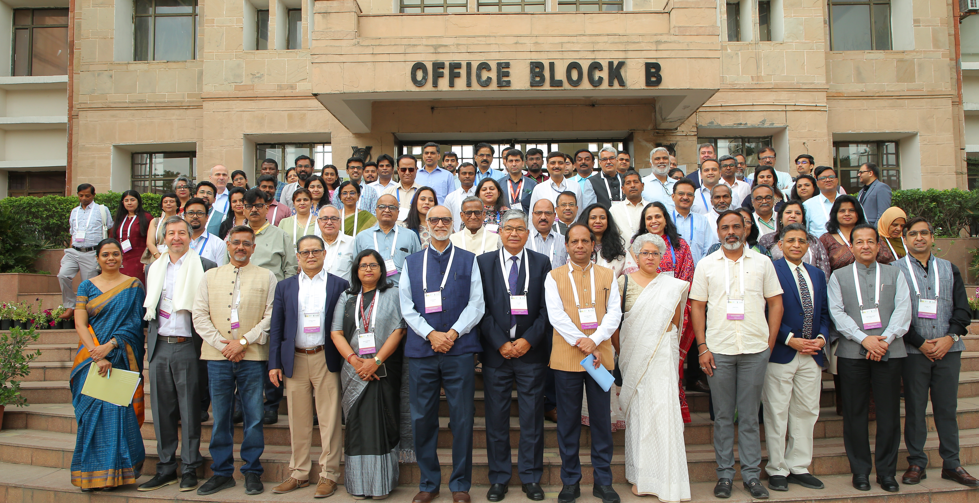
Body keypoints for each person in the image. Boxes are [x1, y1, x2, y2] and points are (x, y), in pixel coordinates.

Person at [690, 210, 783, 500]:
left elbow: (775, 303)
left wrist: (769, 344)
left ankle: (752, 476)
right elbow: (697, 306)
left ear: (746, 229)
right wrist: (702, 347)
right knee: (722, 416)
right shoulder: (706, 264)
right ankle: (725, 475)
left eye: (736, 226)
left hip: (755, 349)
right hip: (719, 349)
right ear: (718, 232)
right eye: (725, 227)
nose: (731, 232)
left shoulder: (763, 262)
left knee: (750, 416)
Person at [398, 206, 486, 503]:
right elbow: (406, 306)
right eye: (434, 219)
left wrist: (453, 333)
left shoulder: (469, 259)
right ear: (426, 223)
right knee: (422, 418)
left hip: (459, 350)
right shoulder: (411, 262)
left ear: (453, 223)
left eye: (445, 219)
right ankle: (428, 482)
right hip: (422, 351)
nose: (439, 224)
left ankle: (460, 484)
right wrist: (431, 334)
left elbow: (477, 303)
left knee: (462, 418)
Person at [192, 225, 276, 497]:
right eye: (236, 242)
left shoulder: (267, 276)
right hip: (217, 357)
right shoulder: (210, 276)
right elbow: (199, 315)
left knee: (254, 416)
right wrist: (224, 345)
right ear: (227, 245)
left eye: (246, 243)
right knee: (221, 417)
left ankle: (252, 471)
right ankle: (222, 473)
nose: (241, 247)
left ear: (253, 247)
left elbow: (271, 315)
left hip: (252, 356)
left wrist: (243, 342)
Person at [827, 224, 911, 493]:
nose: (865, 246)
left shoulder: (895, 273)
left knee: (889, 414)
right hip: (853, 353)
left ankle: (887, 473)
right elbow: (837, 313)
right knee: (855, 413)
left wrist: (885, 339)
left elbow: (903, 309)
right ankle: (860, 471)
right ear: (851, 247)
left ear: (878, 246)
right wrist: (864, 339)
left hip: (890, 351)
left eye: (870, 241)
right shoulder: (838, 276)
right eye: (859, 242)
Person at [137, 216, 218, 493]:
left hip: (188, 345)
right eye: (171, 233)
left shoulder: (205, 266)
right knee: (162, 411)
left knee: (190, 409)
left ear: (190, 236)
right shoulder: (153, 268)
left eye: (181, 233)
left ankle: (190, 467)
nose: (176, 238)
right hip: (159, 345)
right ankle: (166, 467)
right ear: (164, 237)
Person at [896, 217, 978, 487]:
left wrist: (949, 338)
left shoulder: (949, 268)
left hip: (948, 350)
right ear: (905, 239)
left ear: (932, 237)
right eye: (913, 234)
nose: (919, 238)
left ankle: (952, 464)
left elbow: (962, 310)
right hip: (913, 352)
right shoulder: (895, 270)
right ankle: (917, 463)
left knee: (947, 408)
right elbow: (895, 313)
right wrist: (919, 342)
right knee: (915, 409)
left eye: (924, 233)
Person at [477, 209, 552, 503]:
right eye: (508, 228)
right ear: (500, 232)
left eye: (520, 229)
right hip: (496, 355)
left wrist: (527, 340)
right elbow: (479, 307)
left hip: (530, 354)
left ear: (528, 233)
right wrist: (500, 343)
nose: (514, 233)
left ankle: (531, 477)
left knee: (532, 419)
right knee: (496, 420)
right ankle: (499, 478)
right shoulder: (483, 263)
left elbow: (547, 309)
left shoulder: (541, 262)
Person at [267, 235, 349, 499]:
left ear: (324, 254)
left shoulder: (340, 285)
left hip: (326, 358)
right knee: (298, 419)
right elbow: (277, 327)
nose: (310, 256)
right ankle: (299, 472)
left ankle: (329, 474)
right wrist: (274, 363)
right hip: (296, 359)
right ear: (298, 256)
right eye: (305, 252)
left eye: (315, 251)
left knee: (329, 419)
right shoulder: (285, 287)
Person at [544, 224, 621, 503]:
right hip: (567, 358)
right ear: (566, 245)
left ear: (593, 245)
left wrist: (595, 340)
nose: (579, 246)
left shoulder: (607, 275)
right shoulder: (554, 277)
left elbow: (614, 313)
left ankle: (603, 482)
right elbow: (556, 316)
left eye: (585, 241)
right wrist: (584, 342)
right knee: (568, 422)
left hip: (600, 357)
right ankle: (570, 482)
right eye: (574, 241)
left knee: (601, 421)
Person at [330, 250, 410, 499]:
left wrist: (375, 361)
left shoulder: (392, 294)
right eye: (363, 265)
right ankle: (358, 484)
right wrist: (355, 362)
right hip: (353, 371)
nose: (368, 269)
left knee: (383, 423)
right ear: (356, 270)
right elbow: (336, 332)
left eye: (373, 265)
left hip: (384, 369)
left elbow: (399, 330)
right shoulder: (347, 296)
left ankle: (381, 485)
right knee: (357, 426)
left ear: (381, 270)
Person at [68, 238, 146, 491]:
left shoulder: (133, 286)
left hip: (120, 357)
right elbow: (80, 323)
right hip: (90, 360)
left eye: (115, 254)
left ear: (122, 257)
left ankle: (117, 475)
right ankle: (91, 475)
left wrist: (111, 346)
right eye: (105, 254)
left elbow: (134, 325)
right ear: (97, 259)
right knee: (90, 416)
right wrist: (97, 355)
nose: (111, 258)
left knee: (116, 416)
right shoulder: (86, 286)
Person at [617, 233, 690, 501]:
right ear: (636, 256)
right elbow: (615, 324)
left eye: (655, 253)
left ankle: (667, 480)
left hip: (661, 358)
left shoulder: (672, 286)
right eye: (645, 253)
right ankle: (642, 477)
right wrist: (625, 353)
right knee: (639, 417)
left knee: (664, 414)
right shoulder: (623, 282)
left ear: (662, 257)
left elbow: (674, 325)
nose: (650, 257)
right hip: (633, 357)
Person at [763, 223, 831, 492]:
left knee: (807, 411)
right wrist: (789, 338)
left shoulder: (817, 274)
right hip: (782, 352)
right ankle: (777, 468)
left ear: (808, 245)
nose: (796, 245)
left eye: (802, 241)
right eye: (790, 240)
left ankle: (799, 466)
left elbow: (824, 313)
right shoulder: (771, 270)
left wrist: (822, 338)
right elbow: (765, 311)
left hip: (812, 354)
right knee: (777, 412)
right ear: (780, 244)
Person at [627, 201, 698, 420]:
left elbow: (686, 277)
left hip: (674, 310)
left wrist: (670, 301)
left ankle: (672, 409)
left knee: (670, 363)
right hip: (644, 310)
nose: (654, 221)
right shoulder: (636, 244)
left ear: (665, 219)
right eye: (649, 218)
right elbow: (633, 274)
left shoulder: (680, 245)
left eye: (658, 216)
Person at [58, 183, 113, 320]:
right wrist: (70, 248)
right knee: (63, 275)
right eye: (81, 195)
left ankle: (87, 311)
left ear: (93, 195)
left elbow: (109, 230)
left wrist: (105, 253)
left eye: (87, 195)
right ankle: (70, 306)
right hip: (74, 251)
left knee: (88, 284)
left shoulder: (101, 210)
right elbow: (73, 232)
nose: (84, 198)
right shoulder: (74, 211)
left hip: (91, 252)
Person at [354, 194, 423, 287]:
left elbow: (418, 266)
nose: (387, 210)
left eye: (392, 207)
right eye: (382, 207)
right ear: (376, 211)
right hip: (371, 289)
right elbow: (356, 268)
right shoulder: (362, 237)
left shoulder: (410, 235)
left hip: (400, 290)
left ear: (398, 212)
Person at [758, 201, 832, 279]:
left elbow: (824, 270)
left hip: (809, 283)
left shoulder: (813, 240)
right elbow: (762, 267)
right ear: (781, 218)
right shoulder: (768, 239)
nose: (793, 215)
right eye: (788, 212)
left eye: (798, 213)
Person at [820, 195, 894, 271]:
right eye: (842, 211)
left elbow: (887, 262)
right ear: (835, 214)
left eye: (851, 210)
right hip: (839, 278)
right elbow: (822, 267)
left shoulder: (871, 234)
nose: (847, 214)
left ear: (858, 213)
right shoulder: (826, 239)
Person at [243, 187, 297, 282]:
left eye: (259, 206)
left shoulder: (281, 235)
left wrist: (284, 290)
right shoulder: (235, 235)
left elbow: (290, 269)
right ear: (243, 210)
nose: (254, 209)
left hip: (272, 288)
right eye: (249, 206)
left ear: (267, 208)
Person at [110, 190, 153, 285]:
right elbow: (113, 238)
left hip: (139, 259)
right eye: (126, 200)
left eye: (132, 200)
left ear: (138, 201)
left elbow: (152, 240)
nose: (129, 203)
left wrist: (147, 260)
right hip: (121, 259)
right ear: (123, 202)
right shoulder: (120, 218)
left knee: (136, 285)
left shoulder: (147, 217)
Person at [671, 179, 717, 263]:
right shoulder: (665, 219)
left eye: (689, 194)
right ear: (673, 196)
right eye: (681, 194)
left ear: (694, 198)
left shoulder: (702, 220)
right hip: (671, 268)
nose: (685, 197)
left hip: (698, 268)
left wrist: (700, 266)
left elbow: (709, 248)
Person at [529, 151, 584, 222]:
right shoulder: (539, 188)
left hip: (570, 228)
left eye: (560, 163)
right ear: (547, 166)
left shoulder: (575, 186)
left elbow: (579, 213)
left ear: (565, 165)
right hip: (548, 228)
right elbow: (532, 216)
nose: (557, 166)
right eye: (553, 163)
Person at [578, 203, 627, 278]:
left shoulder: (618, 249)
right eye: (593, 218)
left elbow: (631, 277)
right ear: (586, 220)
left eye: (602, 218)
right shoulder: (577, 247)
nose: (598, 221)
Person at [183, 198, 228, 266]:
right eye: (191, 213)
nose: (195, 216)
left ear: (207, 217)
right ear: (184, 217)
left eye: (200, 213)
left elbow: (220, 270)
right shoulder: (177, 242)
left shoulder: (218, 244)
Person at [317, 205, 356, 281]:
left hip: (344, 288)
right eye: (325, 219)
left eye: (334, 219)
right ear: (318, 222)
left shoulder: (352, 243)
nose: (329, 222)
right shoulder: (312, 244)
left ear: (340, 221)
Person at [609, 171, 648, 242]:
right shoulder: (615, 210)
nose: (632, 185)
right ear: (623, 189)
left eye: (636, 182)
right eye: (628, 183)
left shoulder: (651, 208)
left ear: (642, 186)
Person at [530, 199, 569, 268]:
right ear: (533, 215)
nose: (543, 217)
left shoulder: (564, 241)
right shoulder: (523, 241)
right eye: (539, 213)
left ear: (554, 216)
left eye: (547, 213)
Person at [804, 166, 843, 236]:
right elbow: (804, 232)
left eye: (831, 177)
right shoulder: (808, 205)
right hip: (818, 243)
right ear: (817, 183)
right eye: (823, 178)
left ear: (837, 180)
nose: (828, 180)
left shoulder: (848, 202)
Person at [384, 154, 421, 220]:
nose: (407, 172)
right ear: (398, 170)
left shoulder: (423, 192)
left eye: (411, 169)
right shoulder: (388, 192)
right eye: (403, 169)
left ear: (416, 169)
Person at [147, 193, 180, 262]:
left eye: (171, 201)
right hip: (157, 258)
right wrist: (159, 258)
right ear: (162, 206)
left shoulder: (183, 222)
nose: (168, 204)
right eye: (165, 202)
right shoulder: (155, 222)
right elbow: (150, 242)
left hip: (178, 258)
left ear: (177, 205)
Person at [446, 162, 478, 232]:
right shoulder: (450, 197)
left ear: (475, 176)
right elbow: (446, 219)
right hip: (457, 235)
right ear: (458, 176)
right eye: (464, 173)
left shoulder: (481, 195)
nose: (467, 176)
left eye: (470, 173)